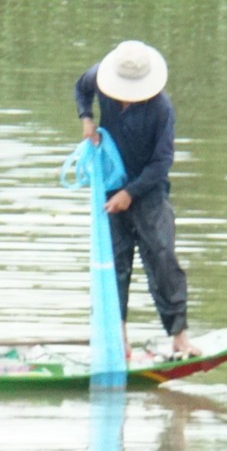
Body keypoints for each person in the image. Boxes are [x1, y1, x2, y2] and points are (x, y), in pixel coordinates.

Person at [75, 40, 201, 358]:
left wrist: (130, 194)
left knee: (162, 257)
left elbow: (162, 163)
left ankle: (179, 336)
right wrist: (87, 117)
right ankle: (119, 337)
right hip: (110, 184)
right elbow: (81, 87)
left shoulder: (161, 109)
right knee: (115, 264)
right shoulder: (101, 80)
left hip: (148, 191)